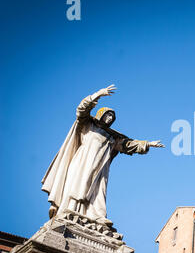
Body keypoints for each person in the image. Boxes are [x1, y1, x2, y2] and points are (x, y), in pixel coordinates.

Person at [41, 85, 164, 226]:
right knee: (77, 184)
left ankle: (96, 216)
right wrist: (98, 94)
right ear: (101, 115)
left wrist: (149, 144)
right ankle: (69, 210)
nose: (110, 118)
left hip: (101, 168)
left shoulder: (112, 137)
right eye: (108, 115)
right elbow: (82, 110)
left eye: (112, 117)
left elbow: (128, 144)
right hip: (83, 162)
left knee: (99, 191)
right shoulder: (87, 125)